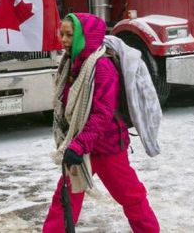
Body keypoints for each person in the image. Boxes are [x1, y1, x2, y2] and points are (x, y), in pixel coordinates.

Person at [42, 12, 159, 232]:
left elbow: (101, 114)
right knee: (64, 198)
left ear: (84, 37)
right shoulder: (72, 63)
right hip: (81, 145)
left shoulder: (102, 67)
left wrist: (78, 145)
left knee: (131, 197)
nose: (64, 40)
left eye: (69, 35)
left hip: (107, 148)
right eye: (62, 34)